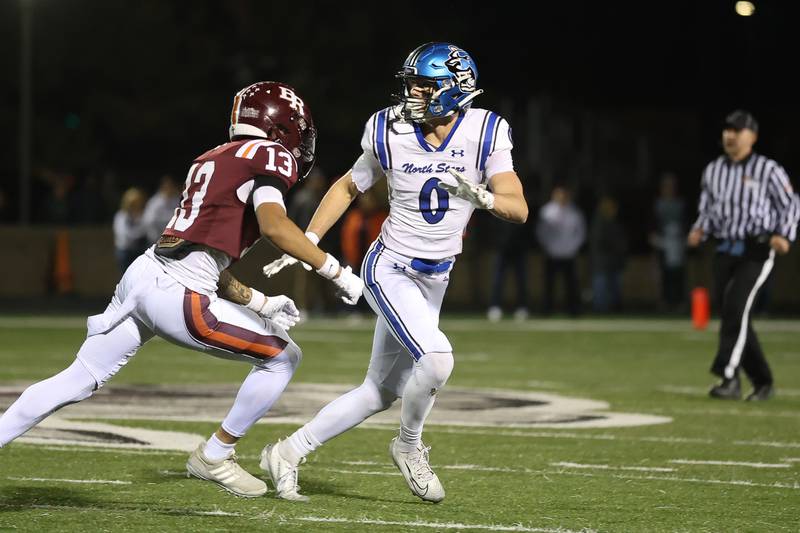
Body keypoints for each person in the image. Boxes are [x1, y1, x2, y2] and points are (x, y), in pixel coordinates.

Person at [0, 81, 364, 498]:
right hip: (178, 292)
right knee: (283, 358)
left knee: (76, 379)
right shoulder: (270, 154)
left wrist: (261, 302)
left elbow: (204, 257)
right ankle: (215, 454)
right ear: (280, 126)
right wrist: (336, 271)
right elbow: (274, 226)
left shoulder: (212, 157)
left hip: (147, 275)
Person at [261, 42, 528, 503]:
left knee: (379, 391)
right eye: (412, 85)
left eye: (423, 87)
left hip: (437, 275)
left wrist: (484, 198)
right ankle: (408, 446)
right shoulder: (388, 129)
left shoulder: (486, 130)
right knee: (438, 358)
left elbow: (518, 207)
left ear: (454, 89)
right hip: (390, 266)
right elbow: (348, 185)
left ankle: (286, 452)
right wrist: (310, 240)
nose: (412, 96)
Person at [688, 109, 799, 401]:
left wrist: (784, 234)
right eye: (727, 130)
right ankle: (763, 381)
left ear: (752, 137)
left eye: (736, 130)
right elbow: (708, 208)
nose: (730, 135)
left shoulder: (767, 169)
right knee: (735, 314)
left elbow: (790, 204)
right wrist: (700, 230)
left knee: (736, 307)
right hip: (725, 248)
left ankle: (728, 375)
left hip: (756, 249)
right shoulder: (713, 170)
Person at [535, 185, 585, 316]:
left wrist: (573, 247)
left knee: (571, 284)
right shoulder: (547, 211)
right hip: (552, 254)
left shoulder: (574, 212)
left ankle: (574, 310)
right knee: (549, 284)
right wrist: (548, 247)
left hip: (569, 254)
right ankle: (547, 309)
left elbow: (580, 232)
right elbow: (541, 232)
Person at [649, 172, 687, 312]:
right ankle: (664, 303)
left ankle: (679, 303)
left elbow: (685, 224)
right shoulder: (657, 205)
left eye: (671, 186)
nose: (669, 189)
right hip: (662, 244)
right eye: (666, 186)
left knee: (678, 274)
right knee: (664, 275)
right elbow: (652, 225)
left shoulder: (680, 204)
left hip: (677, 244)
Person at [590, 195, 627, 313]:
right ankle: (600, 309)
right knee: (601, 287)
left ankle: (615, 308)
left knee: (615, 288)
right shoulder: (598, 223)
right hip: (601, 261)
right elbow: (599, 241)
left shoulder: (616, 222)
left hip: (615, 261)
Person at [113, 187, 149, 273]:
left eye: (138, 202)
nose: (136, 205)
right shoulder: (121, 216)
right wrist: (138, 234)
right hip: (125, 251)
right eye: (133, 203)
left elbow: (148, 229)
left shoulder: (144, 214)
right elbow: (124, 235)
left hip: (140, 250)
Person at [142, 174, 182, 244]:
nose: (169, 188)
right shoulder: (154, 202)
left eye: (171, 185)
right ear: (162, 186)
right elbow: (149, 221)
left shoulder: (177, 200)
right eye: (167, 185)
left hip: (173, 241)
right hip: (156, 240)